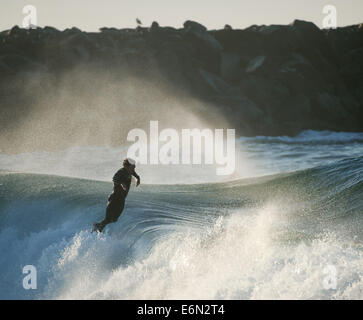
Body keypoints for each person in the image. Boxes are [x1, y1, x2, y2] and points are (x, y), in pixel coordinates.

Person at [92, 158, 140, 233]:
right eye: (133, 167)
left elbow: (134, 173)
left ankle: (98, 226)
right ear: (127, 167)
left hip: (121, 199)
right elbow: (114, 179)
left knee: (114, 219)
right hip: (114, 198)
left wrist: (138, 178)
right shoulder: (120, 172)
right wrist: (122, 183)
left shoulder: (130, 171)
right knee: (108, 218)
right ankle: (98, 230)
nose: (134, 168)